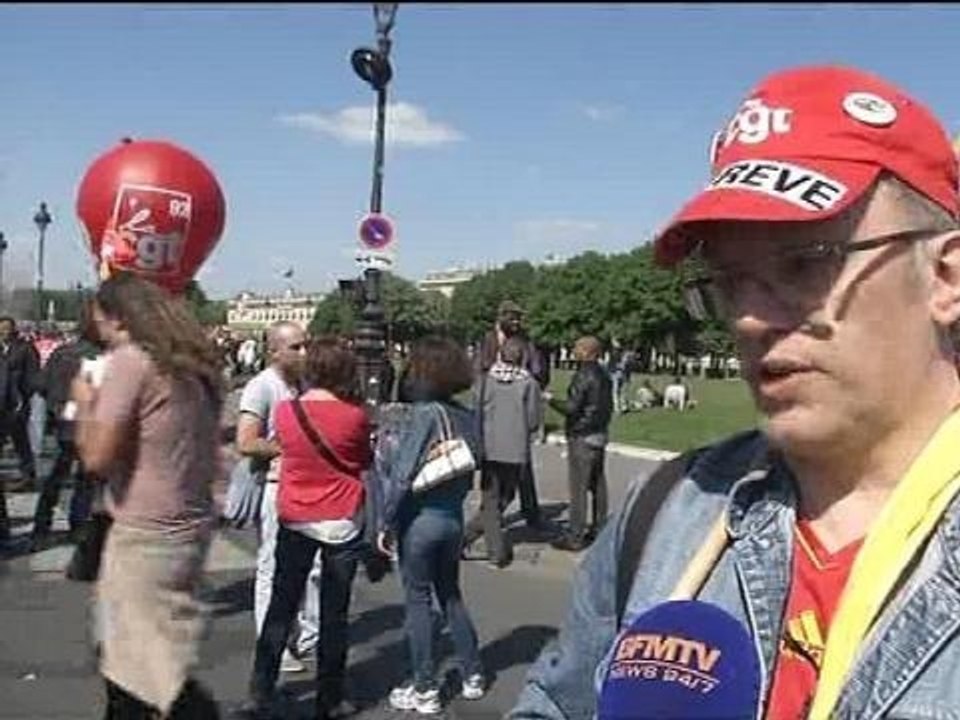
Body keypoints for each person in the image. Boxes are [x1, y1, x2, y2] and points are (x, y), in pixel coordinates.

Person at [510, 65, 960, 719]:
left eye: (806, 261)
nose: (748, 318)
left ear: (946, 278)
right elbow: (555, 702)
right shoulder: (670, 508)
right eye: (728, 280)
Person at [72, 271, 222, 718]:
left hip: (144, 533)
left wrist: (84, 404)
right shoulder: (193, 367)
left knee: (137, 675)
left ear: (117, 318)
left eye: (99, 320)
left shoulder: (130, 362)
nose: (96, 330)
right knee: (152, 662)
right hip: (187, 529)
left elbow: (96, 458)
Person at [240, 337, 372, 720]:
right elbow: (362, 459)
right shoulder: (355, 416)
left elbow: (277, 448)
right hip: (341, 517)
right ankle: (329, 697)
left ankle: (260, 690)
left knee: (281, 607)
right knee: (334, 614)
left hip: (296, 514)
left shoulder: (285, 412)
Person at [376, 336, 486, 715]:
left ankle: (424, 686)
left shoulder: (425, 414)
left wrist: (386, 520)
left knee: (418, 601)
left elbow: (403, 474)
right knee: (451, 594)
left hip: (419, 520)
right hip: (453, 517)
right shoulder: (466, 414)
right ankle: (473, 672)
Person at [236, 320, 320, 674]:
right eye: (296, 347)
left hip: (306, 485)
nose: (305, 352)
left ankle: (307, 635)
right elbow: (246, 441)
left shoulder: (305, 385)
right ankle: (273, 642)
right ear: (274, 351)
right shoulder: (262, 387)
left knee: (312, 567)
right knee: (273, 567)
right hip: (276, 486)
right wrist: (285, 448)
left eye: (306, 345)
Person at [462, 336, 543, 568]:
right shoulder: (529, 384)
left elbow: (475, 413)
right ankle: (496, 553)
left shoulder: (485, 381)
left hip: (489, 449)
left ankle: (462, 540)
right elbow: (533, 420)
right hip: (516, 451)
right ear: (523, 358)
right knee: (503, 498)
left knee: (492, 501)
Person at [30, 300, 103, 550]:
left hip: (63, 422)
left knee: (55, 477)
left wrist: (58, 406)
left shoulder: (62, 353)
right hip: (89, 423)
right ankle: (77, 524)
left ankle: (42, 524)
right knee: (85, 479)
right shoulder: (100, 357)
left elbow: (41, 385)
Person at [476, 300, 546, 528]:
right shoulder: (488, 340)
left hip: (518, 400)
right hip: (494, 403)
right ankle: (488, 516)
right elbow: (480, 368)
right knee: (497, 475)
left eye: (519, 319)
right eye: (512, 318)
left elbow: (537, 368)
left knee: (522, 467)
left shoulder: (525, 341)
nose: (516, 323)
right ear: (501, 317)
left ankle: (530, 512)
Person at [544, 335, 613, 552]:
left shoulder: (584, 375)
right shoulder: (604, 374)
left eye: (576, 348)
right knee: (598, 485)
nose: (573, 351)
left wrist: (550, 400)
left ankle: (575, 536)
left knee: (579, 487)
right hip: (599, 433)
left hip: (582, 436)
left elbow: (572, 408)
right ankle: (600, 527)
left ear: (586, 351)